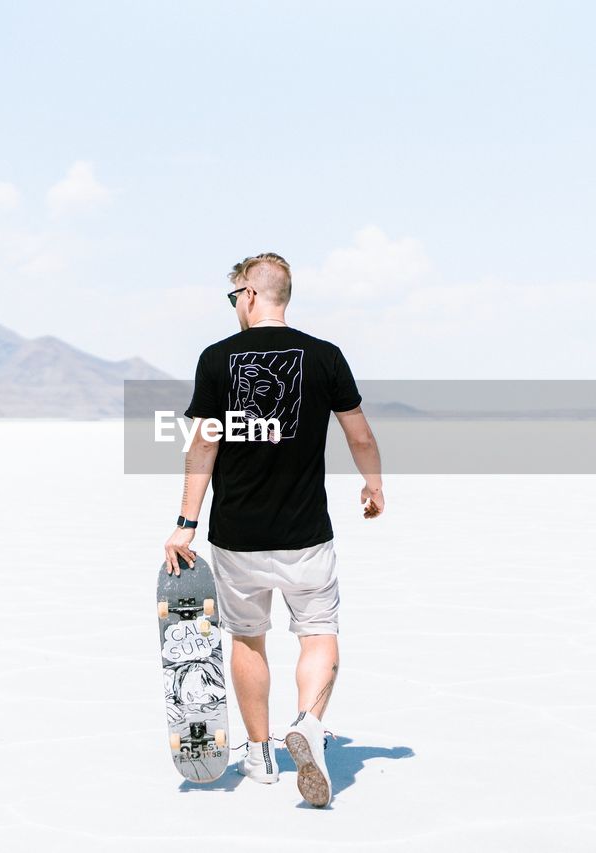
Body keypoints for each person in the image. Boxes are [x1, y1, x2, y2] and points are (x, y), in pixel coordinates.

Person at [163, 251, 384, 808]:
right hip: (306, 533)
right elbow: (359, 434)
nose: (234, 305)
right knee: (318, 630)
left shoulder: (216, 359)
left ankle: (259, 754)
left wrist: (185, 524)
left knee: (247, 637)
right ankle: (308, 723)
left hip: (237, 536)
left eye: (234, 295)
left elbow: (203, 446)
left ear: (253, 293)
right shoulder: (326, 357)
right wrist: (373, 484)